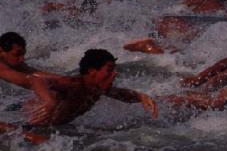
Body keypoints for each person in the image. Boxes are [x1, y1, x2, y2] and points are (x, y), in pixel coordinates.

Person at [23, 49, 157, 128]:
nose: (114, 74)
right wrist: (49, 102)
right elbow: (36, 79)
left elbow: (120, 94)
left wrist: (141, 96)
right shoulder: (73, 83)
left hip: (52, 127)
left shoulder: (96, 87)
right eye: (109, 70)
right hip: (27, 123)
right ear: (92, 71)